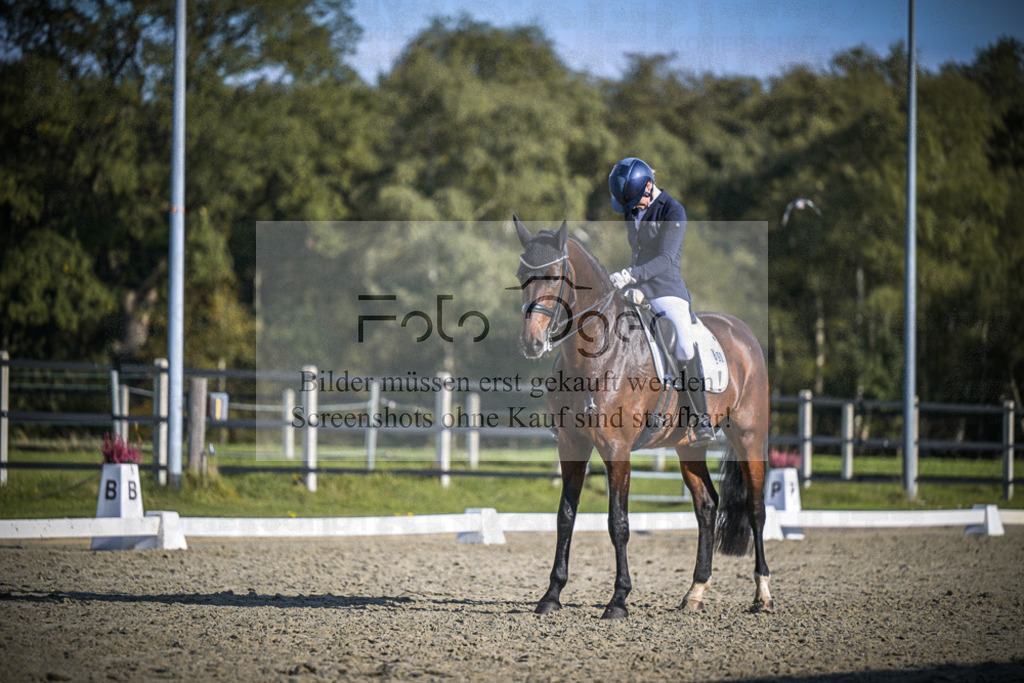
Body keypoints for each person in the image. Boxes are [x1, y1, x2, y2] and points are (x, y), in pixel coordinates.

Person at [607, 157, 715, 445]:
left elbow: (666, 260)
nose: (630, 211)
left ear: (648, 188)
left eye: (633, 204)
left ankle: (701, 417)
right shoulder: (632, 207)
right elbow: (638, 251)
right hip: (639, 288)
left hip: (668, 289)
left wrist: (631, 275)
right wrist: (632, 285)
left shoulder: (673, 210)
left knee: (682, 341)